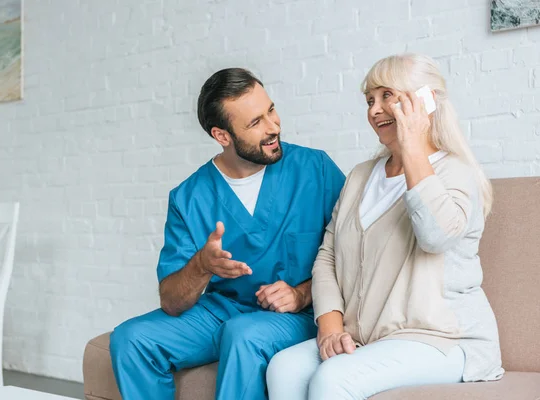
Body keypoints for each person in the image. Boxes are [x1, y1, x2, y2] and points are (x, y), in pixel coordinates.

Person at [266, 53, 504, 400]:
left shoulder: (456, 173)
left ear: (425, 101)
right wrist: (330, 329)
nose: (375, 110)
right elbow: (328, 255)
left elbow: (435, 236)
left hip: (443, 339)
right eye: (369, 100)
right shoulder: (361, 176)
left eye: (387, 96)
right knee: (283, 368)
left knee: (333, 379)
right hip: (370, 336)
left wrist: (412, 146)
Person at [109, 67, 346, 400]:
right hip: (224, 310)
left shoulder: (315, 168)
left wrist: (302, 294)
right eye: (254, 123)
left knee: (243, 334)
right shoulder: (189, 196)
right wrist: (201, 265)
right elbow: (172, 302)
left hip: (300, 312)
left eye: (271, 110)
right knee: (130, 339)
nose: (273, 126)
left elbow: (354, 254)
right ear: (222, 136)